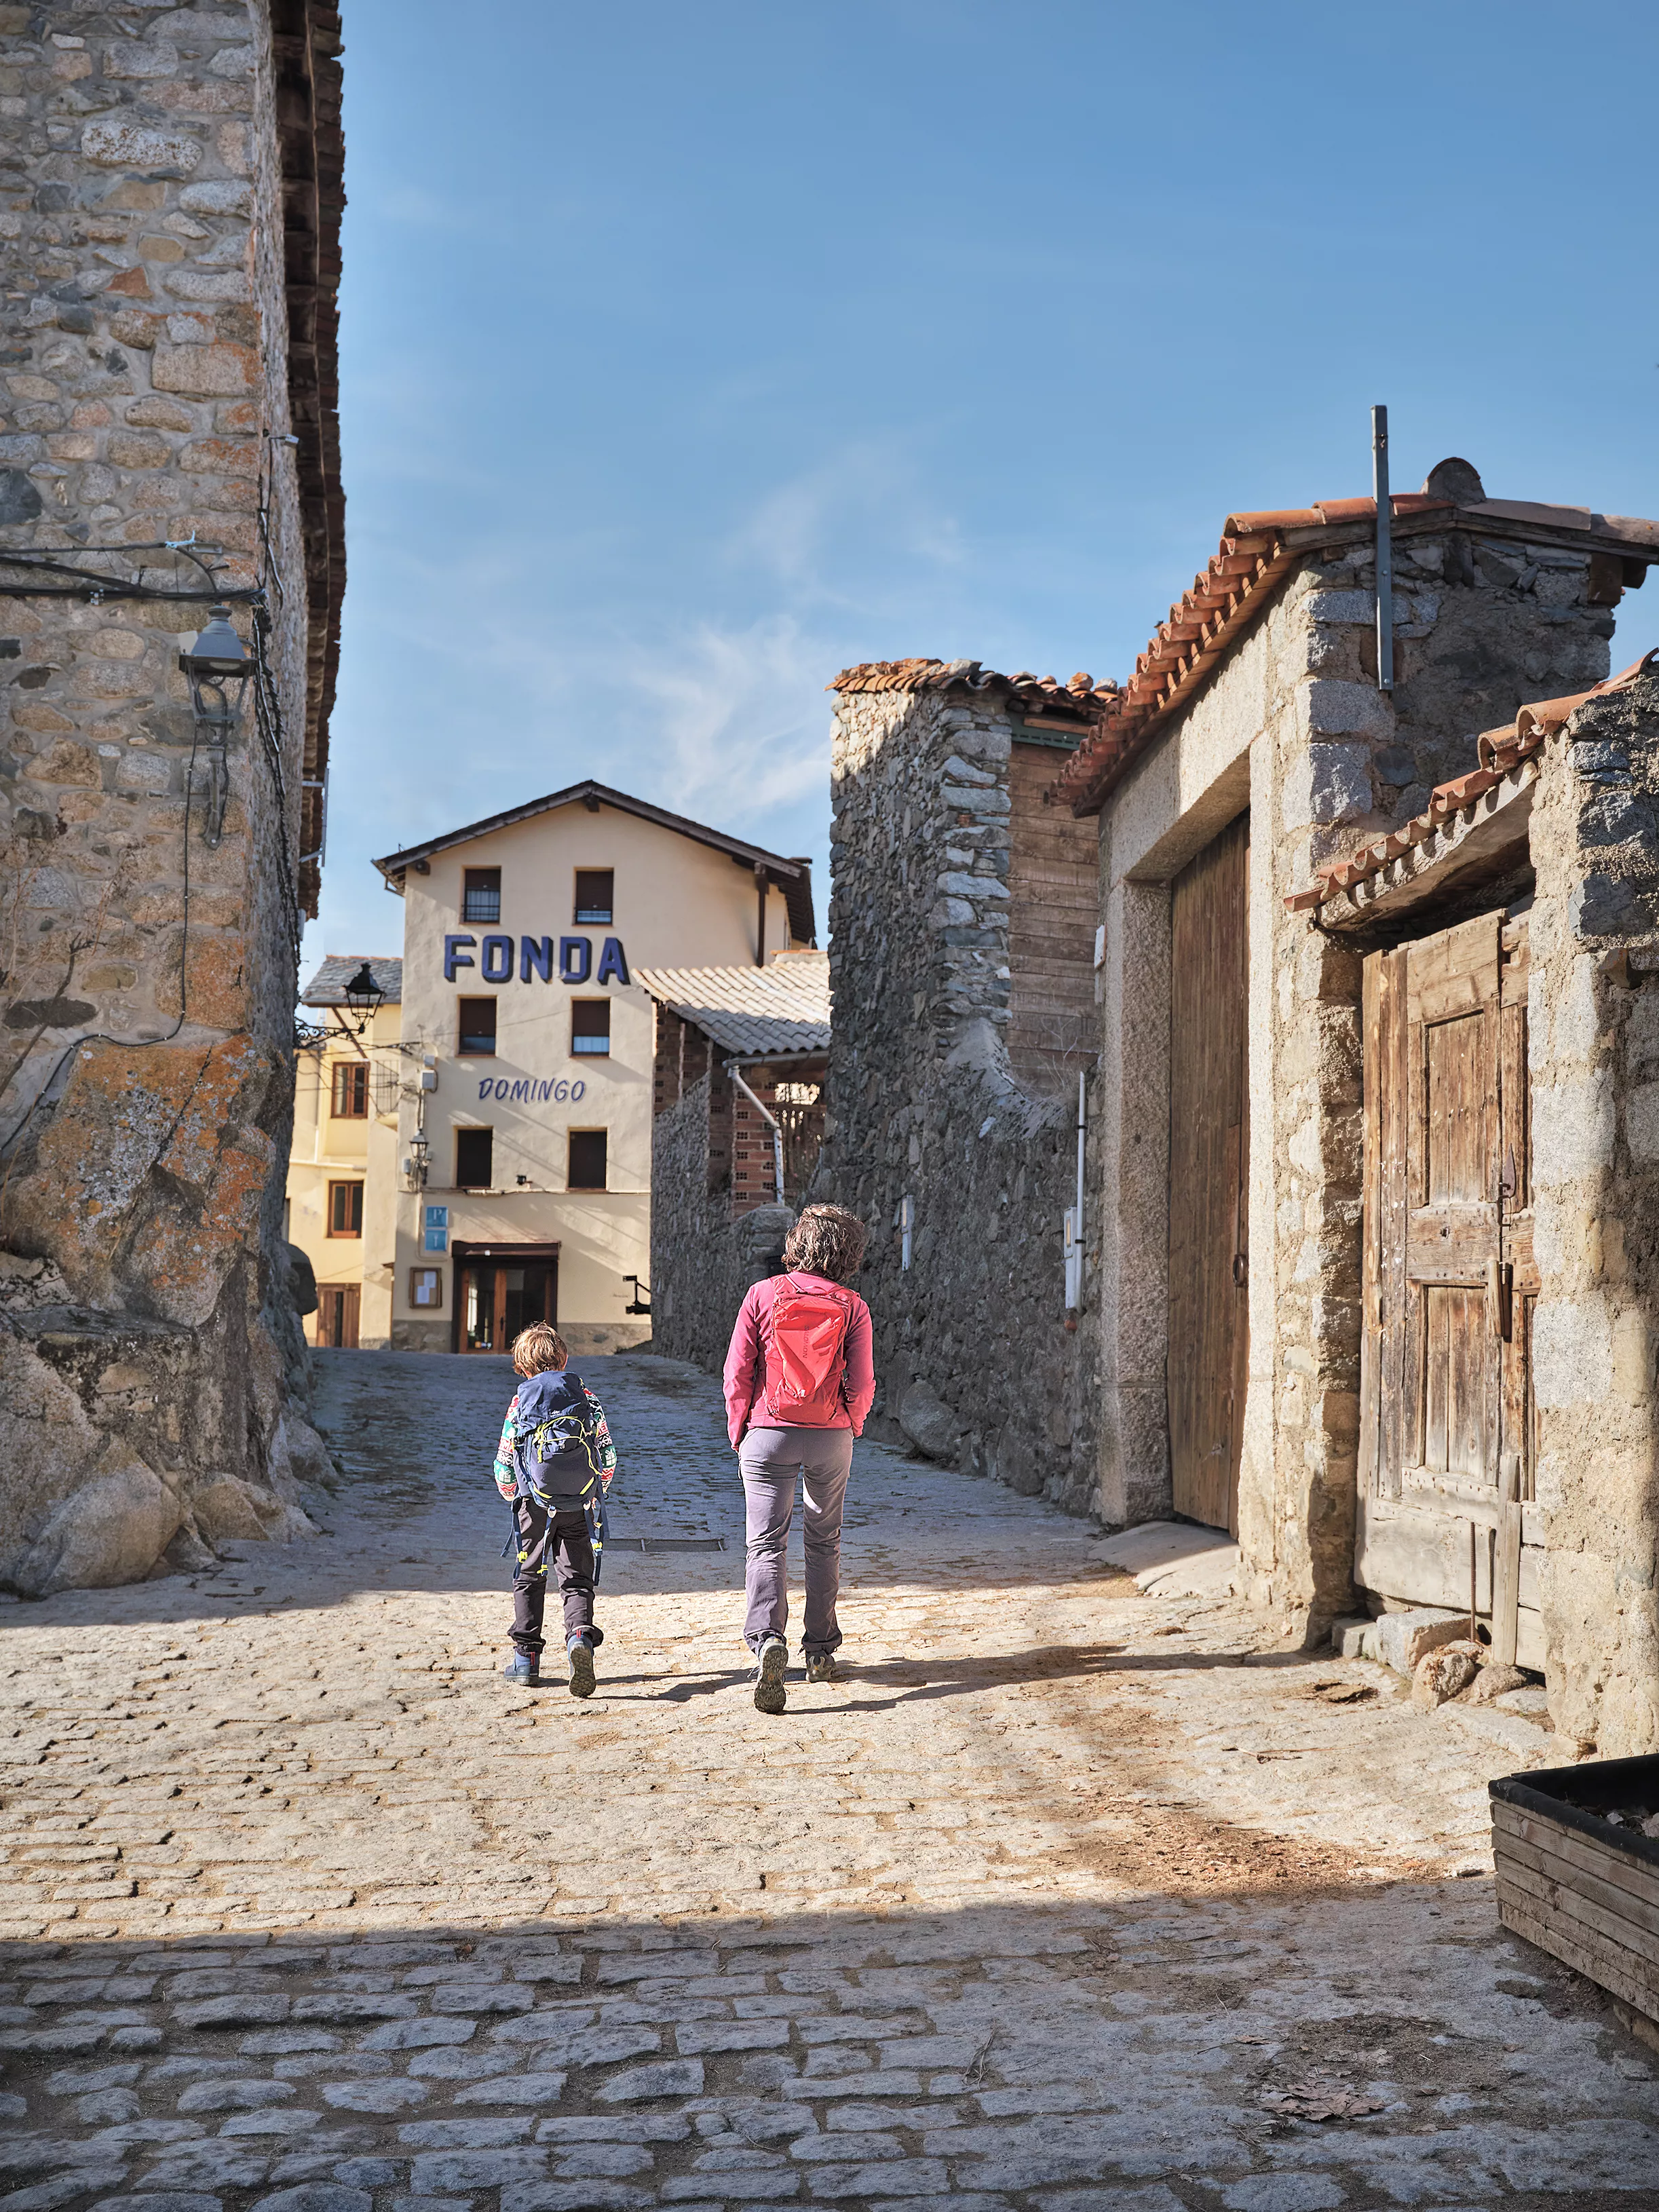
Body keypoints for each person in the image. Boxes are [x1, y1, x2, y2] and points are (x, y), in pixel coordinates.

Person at [723, 1203, 875, 1713]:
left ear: (796, 1245)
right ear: (847, 1253)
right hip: (829, 1434)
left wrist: (739, 1427)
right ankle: (820, 1652)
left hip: (767, 1432)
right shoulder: (852, 1305)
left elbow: (738, 1371)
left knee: (764, 1544)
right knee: (823, 1541)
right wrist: (852, 1421)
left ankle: (767, 1641)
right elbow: (863, 1378)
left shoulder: (761, 1295)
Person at [492, 1321, 617, 1698]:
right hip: (578, 1503)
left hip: (534, 1503)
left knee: (529, 1575)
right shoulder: (587, 1398)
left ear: (523, 1365)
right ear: (563, 1358)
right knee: (577, 1577)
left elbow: (504, 1461)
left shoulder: (521, 1401)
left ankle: (526, 1659)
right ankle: (579, 1637)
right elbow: (607, 1455)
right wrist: (593, 1492)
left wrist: (516, 1493)